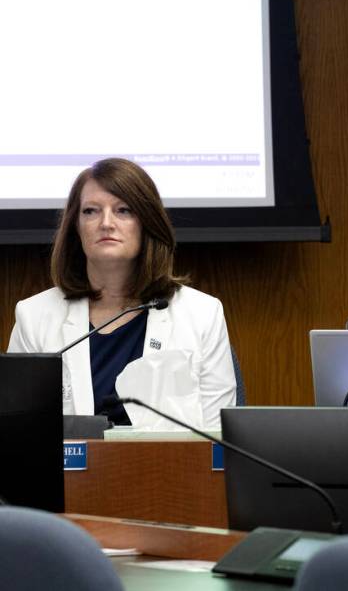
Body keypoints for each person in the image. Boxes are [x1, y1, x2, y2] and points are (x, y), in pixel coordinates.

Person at [8, 158, 236, 429]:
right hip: (67, 471)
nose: (106, 223)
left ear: (147, 224)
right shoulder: (34, 316)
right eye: (91, 211)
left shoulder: (202, 314)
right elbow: (18, 435)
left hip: (169, 469)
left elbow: (215, 442)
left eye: (123, 210)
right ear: (75, 227)